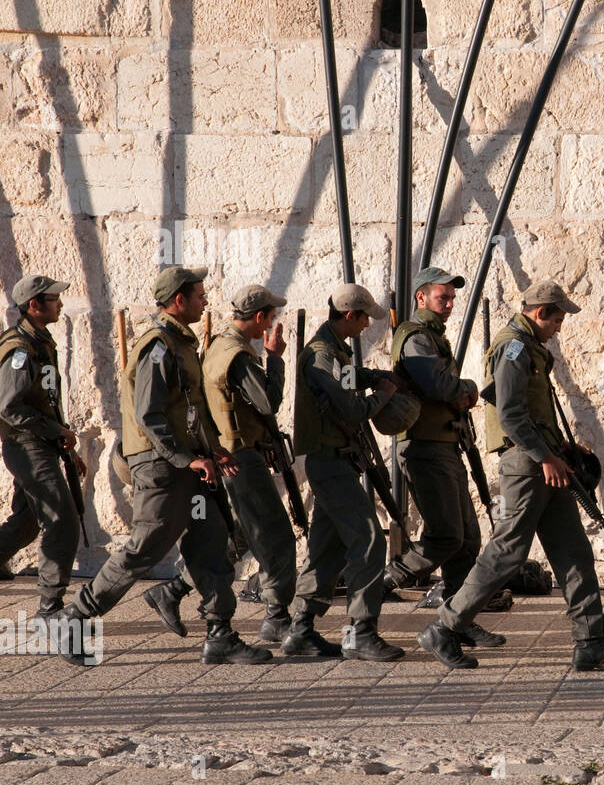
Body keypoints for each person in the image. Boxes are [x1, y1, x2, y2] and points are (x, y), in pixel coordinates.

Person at [418, 280, 604, 673]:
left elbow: (534, 413)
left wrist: (562, 451)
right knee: (507, 553)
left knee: (573, 552)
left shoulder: (530, 346)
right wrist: (545, 456)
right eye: (557, 318)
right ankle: (444, 627)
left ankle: (589, 643)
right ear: (540, 313)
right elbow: (511, 414)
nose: (560, 326)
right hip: (527, 465)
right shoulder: (513, 348)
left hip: (546, 462)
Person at [61, 267, 268, 666]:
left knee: (211, 540)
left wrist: (212, 450)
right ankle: (78, 615)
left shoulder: (181, 343)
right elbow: (149, 415)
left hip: (189, 467)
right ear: (179, 300)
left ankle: (220, 633)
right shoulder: (158, 346)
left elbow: (190, 407)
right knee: (145, 548)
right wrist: (186, 457)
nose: (206, 300)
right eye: (199, 295)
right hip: (160, 467)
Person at [382, 266, 501, 648]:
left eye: (451, 298)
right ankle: (384, 582)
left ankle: (457, 621)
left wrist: (458, 394)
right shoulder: (416, 336)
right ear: (421, 298)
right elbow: (437, 384)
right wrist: (466, 387)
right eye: (442, 298)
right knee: (446, 536)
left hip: (445, 446)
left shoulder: (434, 337)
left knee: (467, 539)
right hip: (424, 447)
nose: (449, 305)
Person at [287, 283, 404, 661]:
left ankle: (301, 631)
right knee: (370, 541)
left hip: (338, 461)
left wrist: (374, 377)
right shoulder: (321, 356)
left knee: (327, 548)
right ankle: (360, 633)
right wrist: (383, 395)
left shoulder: (335, 351)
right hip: (330, 462)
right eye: (364, 318)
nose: (367, 324)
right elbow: (352, 410)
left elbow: (349, 378)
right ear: (350, 316)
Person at [199, 284, 299, 644]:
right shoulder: (238, 356)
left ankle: (176, 589)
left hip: (234, 450)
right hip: (240, 456)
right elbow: (267, 401)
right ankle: (276, 615)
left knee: (242, 533)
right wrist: (275, 357)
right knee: (276, 536)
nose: (270, 325)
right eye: (270, 318)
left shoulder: (218, 346)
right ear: (259, 318)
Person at [0, 275, 85, 618]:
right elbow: (9, 405)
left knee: (28, 521)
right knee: (61, 519)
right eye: (53, 299)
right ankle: (50, 604)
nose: (60, 304)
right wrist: (54, 430)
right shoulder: (20, 350)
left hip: (41, 442)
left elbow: (46, 401)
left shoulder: (39, 341)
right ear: (34, 305)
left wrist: (64, 442)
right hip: (26, 444)